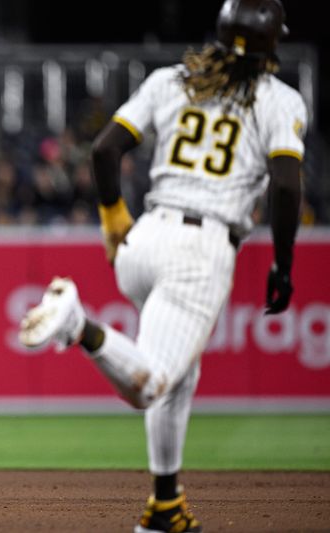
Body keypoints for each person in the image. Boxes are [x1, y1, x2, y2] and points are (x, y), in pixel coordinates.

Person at [18, 1, 305, 532]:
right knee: (151, 384)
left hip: (144, 237)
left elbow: (105, 151)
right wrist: (283, 264)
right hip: (201, 249)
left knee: (180, 378)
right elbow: (286, 184)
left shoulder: (172, 79)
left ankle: (165, 506)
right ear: (272, 44)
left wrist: (111, 219)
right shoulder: (277, 97)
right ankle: (77, 324)